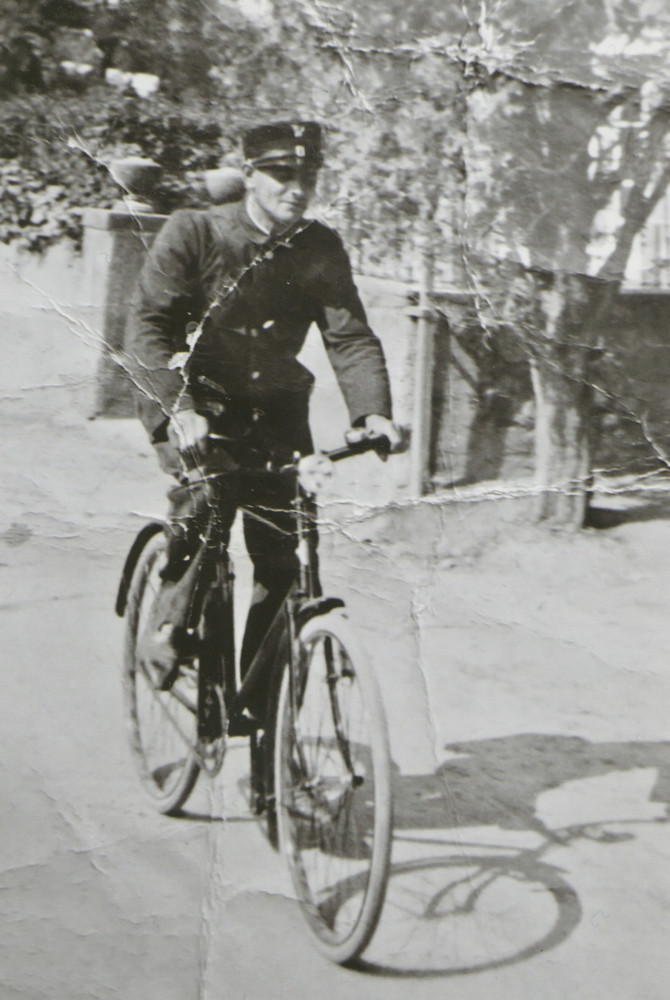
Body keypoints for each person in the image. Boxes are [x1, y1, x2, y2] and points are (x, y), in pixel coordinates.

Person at [126, 119, 401, 708]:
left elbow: (349, 336)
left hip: (277, 417)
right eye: (280, 174)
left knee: (287, 556)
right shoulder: (194, 231)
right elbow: (148, 326)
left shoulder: (319, 247)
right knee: (208, 500)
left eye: (307, 176)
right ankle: (169, 626)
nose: (296, 188)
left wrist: (372, 413)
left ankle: (260, 712)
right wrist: (179, 408)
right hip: (197, 410)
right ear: (249, 175)